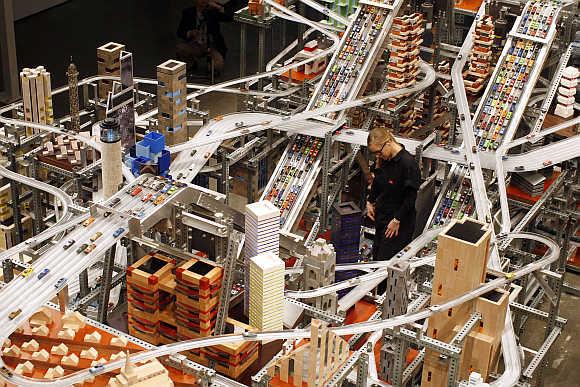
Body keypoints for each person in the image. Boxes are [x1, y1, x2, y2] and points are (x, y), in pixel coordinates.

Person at [365, 127, 420, 288]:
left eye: (379, 152)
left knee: (387, 264)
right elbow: (378, 182)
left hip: (398, 223)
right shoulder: (385, 159)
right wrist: (370, 201)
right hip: (383, 217)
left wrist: (397, 219)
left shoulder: (408, 164)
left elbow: (411, 197)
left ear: (388, 143)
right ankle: (376, 293)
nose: (378, 156)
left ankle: (384, 300)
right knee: (377, 257)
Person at [176, 0, 233, 74]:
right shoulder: (188, 12)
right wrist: (190, 33)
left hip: (212, 45)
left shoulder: (212, 12)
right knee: (180, 48)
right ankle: (191, 64)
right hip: (195, 44)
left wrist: (218, 7)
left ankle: (211, 65)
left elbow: (229, 18)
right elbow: (180, 32)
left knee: (217, 66)